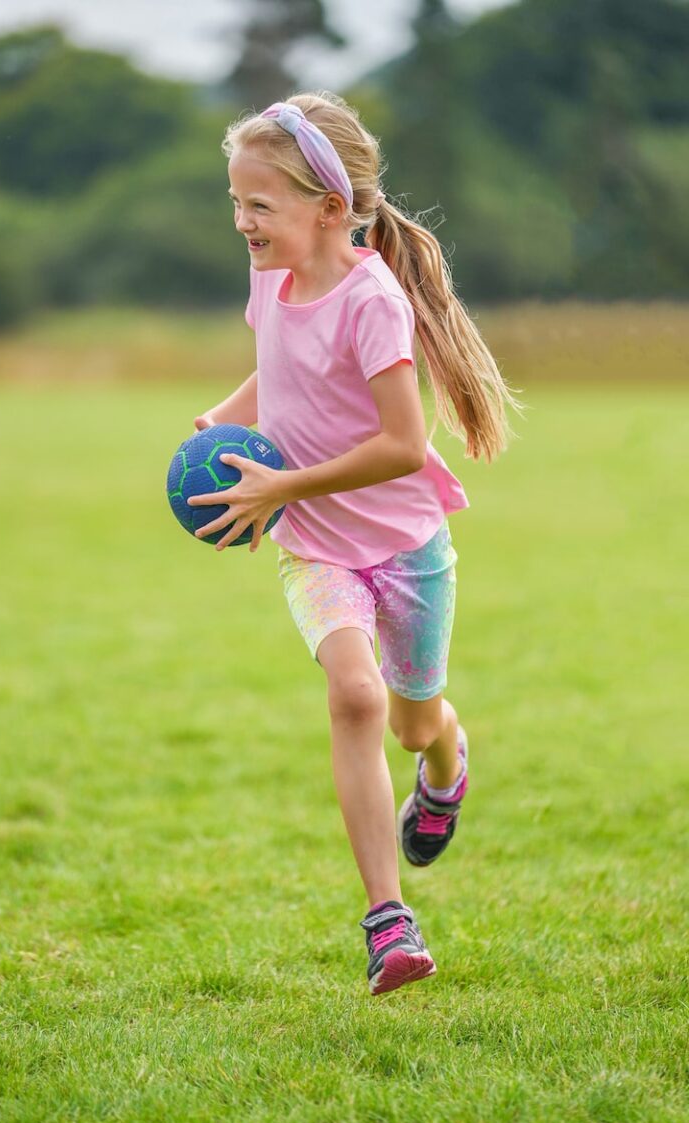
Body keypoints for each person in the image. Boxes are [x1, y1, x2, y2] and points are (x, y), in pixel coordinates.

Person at [189, 92, 517, 996]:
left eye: (260, 205)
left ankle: (445, 768)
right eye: (235, 201)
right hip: (317, 548)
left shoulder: (374, 299)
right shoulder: (271, 279)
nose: (241, 221)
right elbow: (281, 364)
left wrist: (283, 482)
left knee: (416, 720)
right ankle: (387, 920)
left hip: (408, 547)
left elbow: (403, 446)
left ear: (330, 208)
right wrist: (221, 420)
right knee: (354, 697)